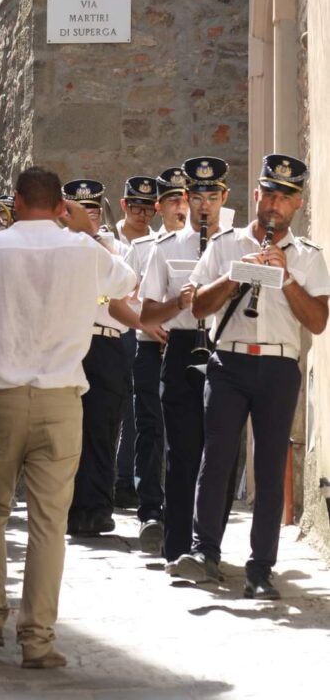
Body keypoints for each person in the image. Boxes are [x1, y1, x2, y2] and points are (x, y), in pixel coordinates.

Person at [0, 166, 136, 669]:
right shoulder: (85, 248)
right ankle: (38, 640)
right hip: (60, 401)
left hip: (1, 397)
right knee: (49, 521)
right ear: (60, 206)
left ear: (14, 200)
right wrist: (85, 230)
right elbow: (127, 280)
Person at [169, 154, 330, 598]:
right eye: (270, 194)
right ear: (257, 195)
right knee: (216, 458)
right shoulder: (225, 243)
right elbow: (198, 307)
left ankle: (261, 569)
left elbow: (317, 321)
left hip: (279, 365)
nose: (276, 204)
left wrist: (286, 277)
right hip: (230, 362)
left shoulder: (309, 257)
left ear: (297, 204)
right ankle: (205, 552)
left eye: (286, 197)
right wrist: (236, 277)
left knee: (270, 463)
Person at [139, 156, 231, 563]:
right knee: (181, 452)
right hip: (179, 348)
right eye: (197, 196)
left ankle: (209, 546)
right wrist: (179, 302)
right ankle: (176, 547)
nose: (204, 204)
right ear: (186, 199)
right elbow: (146, 315)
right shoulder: (165, 248)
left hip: (221, 348)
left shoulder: (234, 245)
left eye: (212, 195)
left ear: (224, 197)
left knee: (222, 453)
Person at [118, 167, 188, 552]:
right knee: (149, 427)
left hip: (189, 345)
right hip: (150, 345)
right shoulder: (143, 249)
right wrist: (148, 322)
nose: (181, 206)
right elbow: (125, 295)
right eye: (174, 200)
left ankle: (184, 510)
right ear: (160, 206)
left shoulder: (206, 245)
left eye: (185, 198)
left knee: (187, 429)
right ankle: (150, 510)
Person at [63, 178, 135, 537]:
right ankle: (70, 508)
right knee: (67, 431)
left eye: (93, 210)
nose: (88, 217)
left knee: (103, 429)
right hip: (69, 342)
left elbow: (125, 290)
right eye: (80, 210)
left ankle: (99, 506)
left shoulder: (116, 249)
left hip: (105, 343)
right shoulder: (58, 248)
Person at [115, 176, 159, 508]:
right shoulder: (107, 239)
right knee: (111, 408)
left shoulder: (159, 243)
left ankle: (130, 479)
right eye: (135, 207)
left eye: (148, 209)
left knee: (139, 410)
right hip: (113, 327)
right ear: (123, 205)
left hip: (146, 332)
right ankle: (113, 479)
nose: (141, 215)